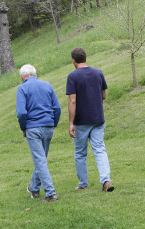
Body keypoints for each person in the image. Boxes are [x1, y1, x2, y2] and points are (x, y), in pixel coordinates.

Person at [66, 47, 114, 192]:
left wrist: (70, 122)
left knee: (80, 152)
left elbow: (72, 101)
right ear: (85, 58)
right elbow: (104, 95)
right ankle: (106, 180)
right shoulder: (98, 73)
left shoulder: (73, 76)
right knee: (100, 149)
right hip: (98, 118)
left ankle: (83, 184)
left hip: (82, 120)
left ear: (74, 61)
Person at [16, 64, 61, 202]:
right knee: (41, 159)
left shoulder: (22, 88)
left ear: (23, 76)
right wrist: (53, 124)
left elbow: (22, 113)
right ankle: (34, 189)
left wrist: (23, 128)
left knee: (40, 161)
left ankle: (51, 194)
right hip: (48, 126)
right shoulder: (47, 85)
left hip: (33, 128)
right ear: (35, 74)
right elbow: (57, 108)